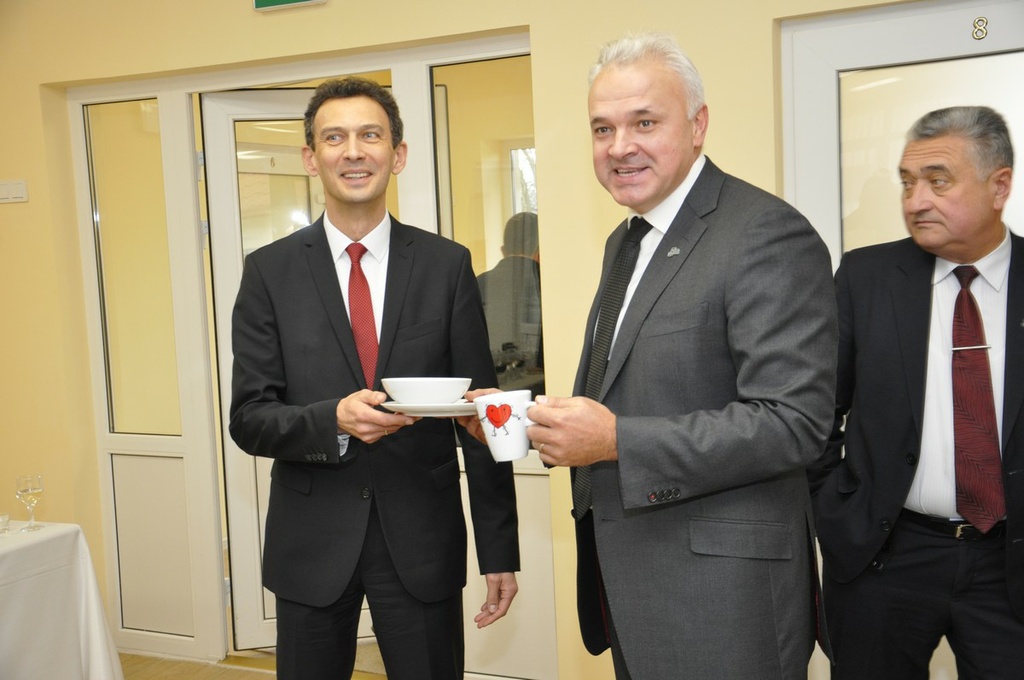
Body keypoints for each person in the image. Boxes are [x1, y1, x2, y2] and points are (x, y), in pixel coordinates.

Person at [523, 32, 838, 679]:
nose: (619, 146)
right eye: (602, 128)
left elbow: (793, 423)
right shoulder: (625, 241)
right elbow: (627, 395)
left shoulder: (763, 232)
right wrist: (526, 423)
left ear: (698, 125)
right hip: (631, 584)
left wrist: (617, 441)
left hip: (723, 602)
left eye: (644, 122)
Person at [228, 77, 520, 680]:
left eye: (370, 135)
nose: (353, 151)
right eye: (334, 138)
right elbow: (250, 419)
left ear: (398, 154)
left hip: (421, 542)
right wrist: (331, 420)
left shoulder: (446, 266)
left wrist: (499, 551)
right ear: (311, 157)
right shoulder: (268, 273)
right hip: (310, 545)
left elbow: (483, 415)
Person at [808, 106, 1024, 678]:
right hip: (886, 556)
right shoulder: (866, 277)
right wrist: (836, 511)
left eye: (937, 181)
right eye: (907, 183)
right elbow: (817, 413)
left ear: (999, 186)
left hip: (1009, 563)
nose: (915, 201)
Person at [476, 211, 544, 394]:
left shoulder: (477, 284)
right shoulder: (547, 286)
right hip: (539, 392)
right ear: (540, 252)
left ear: (503, 250)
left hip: (487, 393)